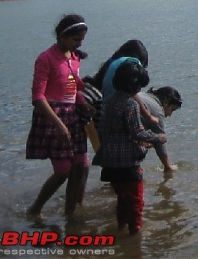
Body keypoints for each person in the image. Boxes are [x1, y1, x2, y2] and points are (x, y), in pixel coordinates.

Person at [26, 14, 95, 221]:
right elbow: (38, 97)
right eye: (75, 40)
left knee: (81, 166)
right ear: (62, 36)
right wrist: (58, 125)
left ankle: (70, 214)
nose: (79, 44)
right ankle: (35, 209)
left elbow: (72, 87)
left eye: (81, 40)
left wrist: (84, 103)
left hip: (72, 114)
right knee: (63, 170)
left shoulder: (74, 58)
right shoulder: (45, 58)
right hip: (52, 117)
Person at [93, 61, 166, 235]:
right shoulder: (130, 104)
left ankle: (120, 227)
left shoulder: (109, 101)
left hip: (109, 160)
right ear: (134, 85)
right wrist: (157, 138)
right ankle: (135, 233)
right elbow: (137, 132)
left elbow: (106, 129)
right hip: (127, 163)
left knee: (121, 198)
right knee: (135, 200)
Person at [92, 39, 157, 126]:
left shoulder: (113, 61)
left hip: (102, 113)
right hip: (115, 118)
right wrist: (149, 116)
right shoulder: (133, 64)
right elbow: (133, 93)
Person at [138, 86, 183, 172]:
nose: (170, 114)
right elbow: (160, 142)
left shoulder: (144, 95)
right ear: (166, 101)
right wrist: (168, 166)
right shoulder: (157, 110)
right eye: (172, 109)